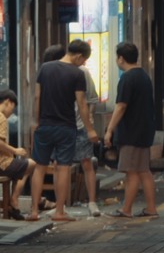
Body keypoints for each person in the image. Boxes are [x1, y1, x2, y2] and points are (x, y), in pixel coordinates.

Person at [27, 38, 98, 222]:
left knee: (39, 167)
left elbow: (37, 97)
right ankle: (59, 211)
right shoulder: (77, 74)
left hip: (45, 125)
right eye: (83, 60)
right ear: (78, 56)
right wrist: (90, 130)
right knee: (63, 168)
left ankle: (34, 211)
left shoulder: (45, 68)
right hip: (66, 127)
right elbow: (82, 104)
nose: (83, 64)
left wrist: (37, 121)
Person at [104, 42, 158, 218]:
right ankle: (151, 208)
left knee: (132, 172)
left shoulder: (127, 78)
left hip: (131, 132)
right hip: (144, 130)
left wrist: (109, 130)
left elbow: (121, 107)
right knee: (144, 170)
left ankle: (126, 209)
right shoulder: (144, 76)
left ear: (121, 58)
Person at [0, 89, 36, 220]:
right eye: (12, 108)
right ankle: (13, 201)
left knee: (20, 167)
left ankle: (12, 204)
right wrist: (15, 151)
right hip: (2, 164)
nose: (11, 113)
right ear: (7, 102)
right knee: (31, 164)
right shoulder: (2, 118)